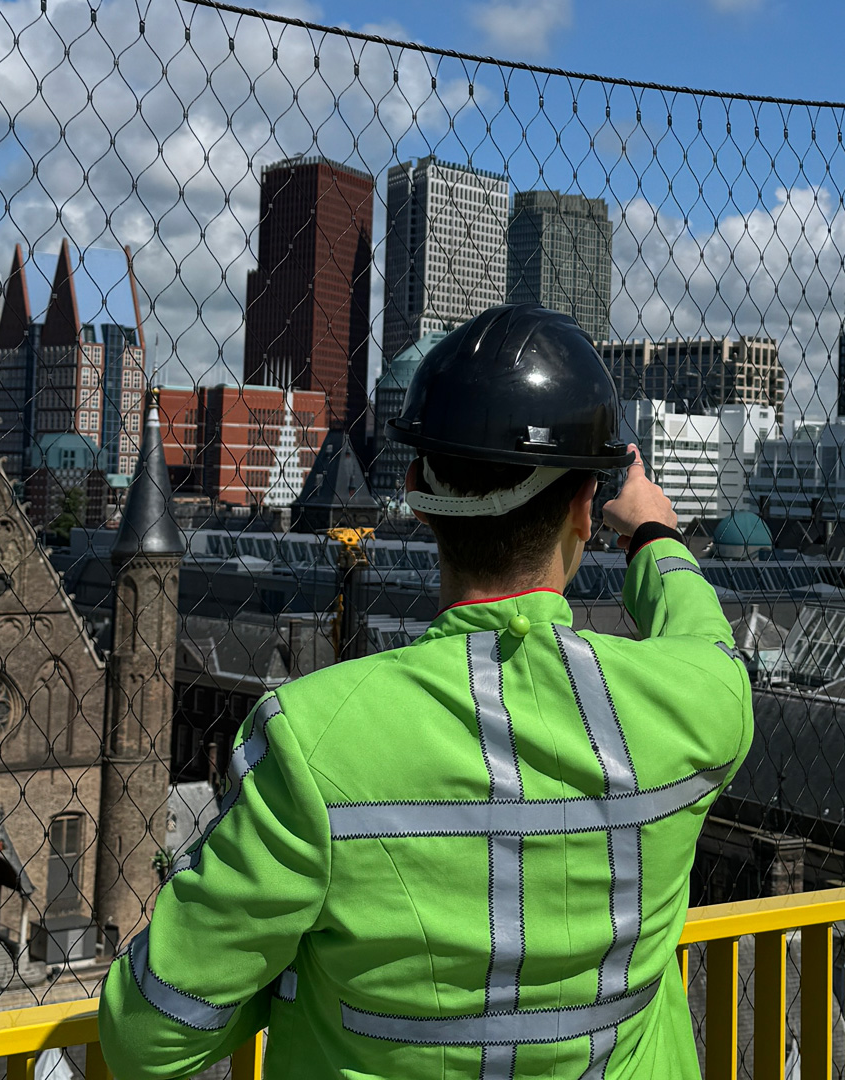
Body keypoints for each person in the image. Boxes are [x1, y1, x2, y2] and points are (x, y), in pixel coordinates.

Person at [99, 303, 753, 1079]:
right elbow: (702, 635)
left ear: (414, 491)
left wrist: (299, 979)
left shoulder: (313, 742)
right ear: (585, 509)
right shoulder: (695, 708)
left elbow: (149, 1035)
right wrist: (654, 534)